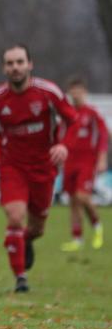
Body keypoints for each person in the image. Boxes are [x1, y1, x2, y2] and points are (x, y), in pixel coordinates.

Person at [0, 44, 78, 293]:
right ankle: (21, 278)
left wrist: (64, 145)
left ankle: (24, 240)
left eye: (20, 62)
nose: (15, 68)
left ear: (30, 64)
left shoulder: (48, 92)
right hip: (12, 167)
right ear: (4, 68)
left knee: (37, 228)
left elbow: (72, 120)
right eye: (10, 63)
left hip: (43, 168)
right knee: (15, 216)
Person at [60, 78, 107, 252]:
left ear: (85, 93)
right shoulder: (67, 114)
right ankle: (77, 238)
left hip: (87, 161)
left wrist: (102, 159)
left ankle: (97, 226)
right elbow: (60, 136)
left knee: (82, 196)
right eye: (73, 91)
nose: (76, 94)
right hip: (69, 162)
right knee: (73, 201)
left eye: (79, 91)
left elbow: (103, 135)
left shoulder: (92, 113)